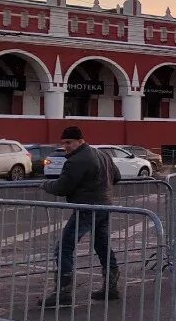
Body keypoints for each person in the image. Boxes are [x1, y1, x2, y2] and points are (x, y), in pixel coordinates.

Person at [39, 126, 121, 308]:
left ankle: (64, 291)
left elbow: (61, 188)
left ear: (80, 141)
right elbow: (117, 176)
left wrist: (45, 185)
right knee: (102, 244)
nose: (65, 146)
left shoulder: (77, 160)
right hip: (104, 205)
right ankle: (111, 287)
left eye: (68, 142)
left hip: (87, 207)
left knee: (64, 247)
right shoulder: (101, 154)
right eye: (63, 143)